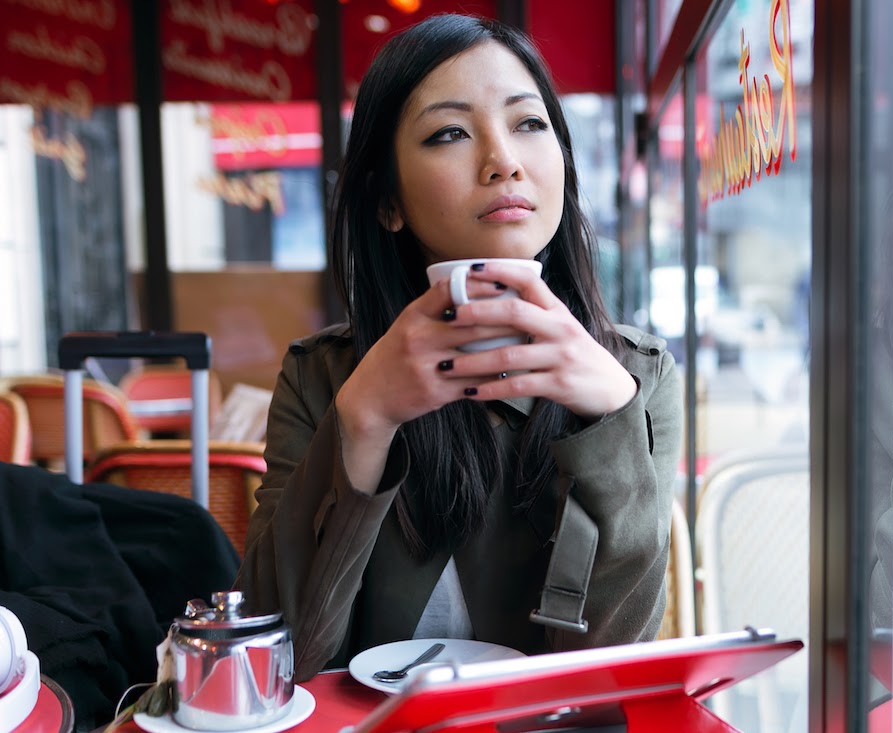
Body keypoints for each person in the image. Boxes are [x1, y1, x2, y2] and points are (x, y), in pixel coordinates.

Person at [235, 13, 683, 681]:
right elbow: (281, 664)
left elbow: (609, 672)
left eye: (529, 123)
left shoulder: (636, 376)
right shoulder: (321, 376)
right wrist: (363, 420)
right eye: (449, 132)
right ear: (388, 201)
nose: (503, 159)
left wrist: (612, 424)